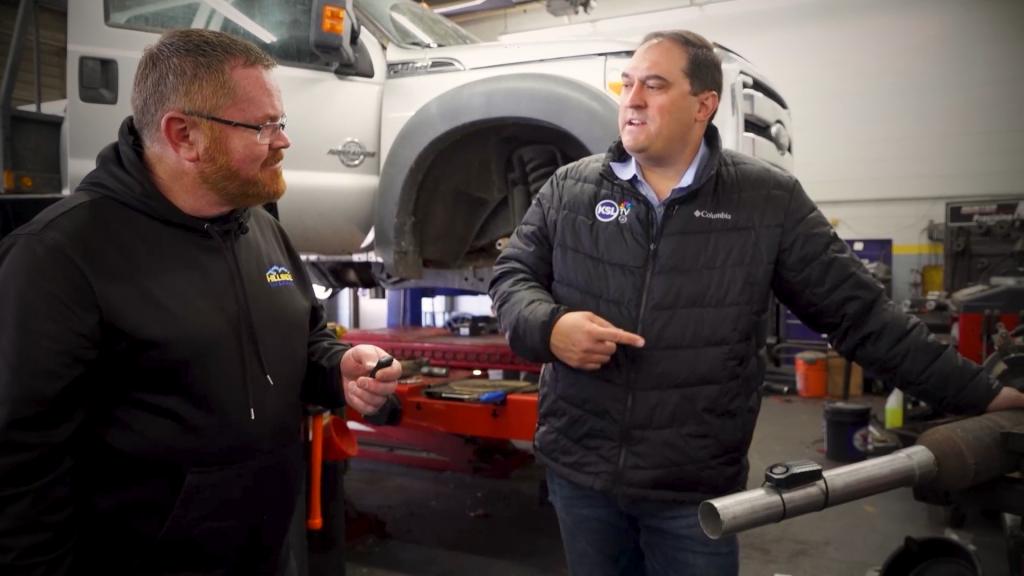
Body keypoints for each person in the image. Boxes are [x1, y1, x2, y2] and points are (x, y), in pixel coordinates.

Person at [489, 30, 1024, 576]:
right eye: (627, 84)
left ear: (704, 105)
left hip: (692, 490)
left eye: (654, 85)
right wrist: (549, 327)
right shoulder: (569, 190)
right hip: (581, 473)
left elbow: (860, 316)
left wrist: (980, 393)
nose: (632, 99)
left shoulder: (767, 200)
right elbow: (512, 277)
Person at [0, 29, 401, 575]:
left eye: (281, 123)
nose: (283, 141)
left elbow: (304, 341)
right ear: (184, 135)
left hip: (263, 551)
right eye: (264, 126)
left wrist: (338, 371)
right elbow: (22, 465)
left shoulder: (261, 228)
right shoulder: (60, 257)